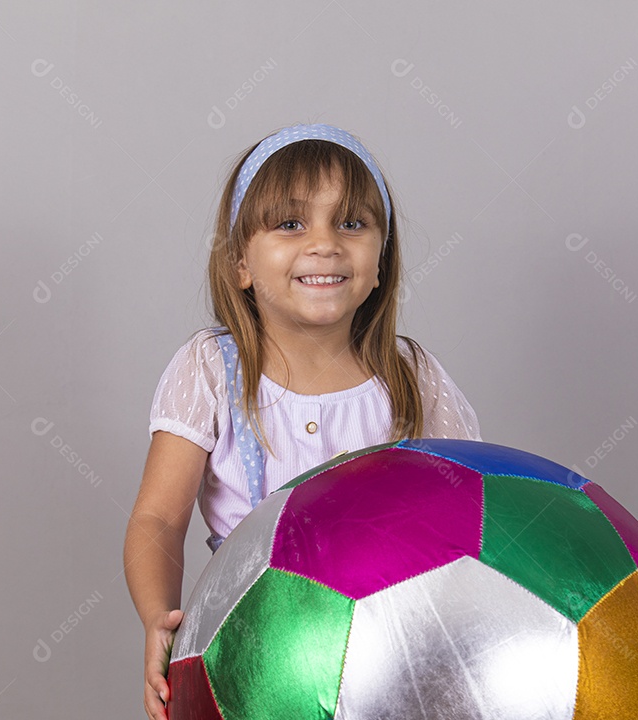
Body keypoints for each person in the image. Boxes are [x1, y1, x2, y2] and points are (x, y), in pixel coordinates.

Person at [123, 122, 481, 720]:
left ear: (380, 260)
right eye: (290, 224)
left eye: (351, 223)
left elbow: (469, 514)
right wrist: (159, 616)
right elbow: (158, 516)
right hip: (254, 654)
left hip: (393, 660)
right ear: (240, 263)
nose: (325, 244)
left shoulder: (412, 376)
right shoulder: (214, 369)